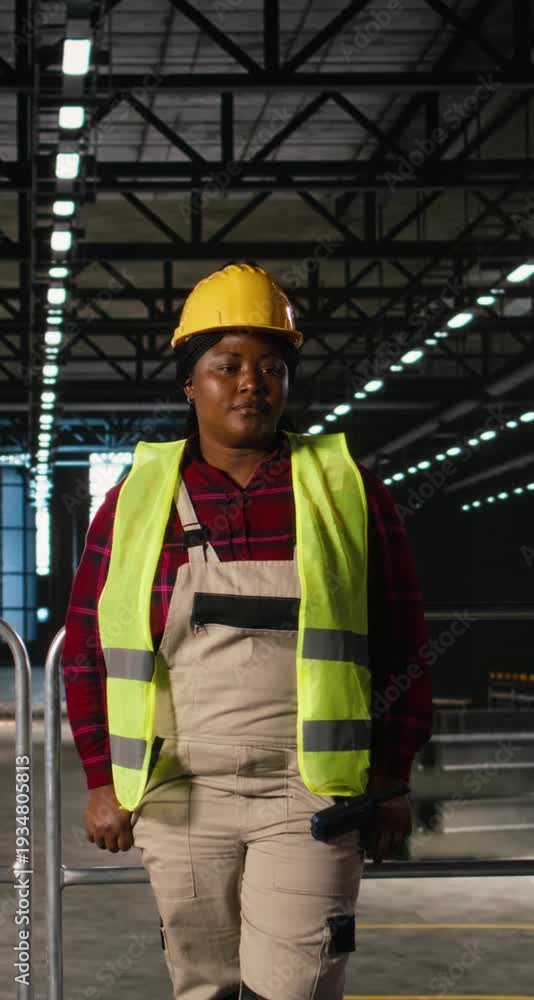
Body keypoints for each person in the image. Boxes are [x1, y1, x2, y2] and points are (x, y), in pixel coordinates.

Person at [62, 262, 432, 1000]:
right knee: (204, 987)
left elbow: (401, 640)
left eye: (271, 367)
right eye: (226, 365)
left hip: (311, 791)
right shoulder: (137, 500)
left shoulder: (344, 489)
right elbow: (86, 650)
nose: (251, 383)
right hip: (178, 791)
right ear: (189, 383)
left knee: (296, 986)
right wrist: (102, 780)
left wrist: (392, 780)